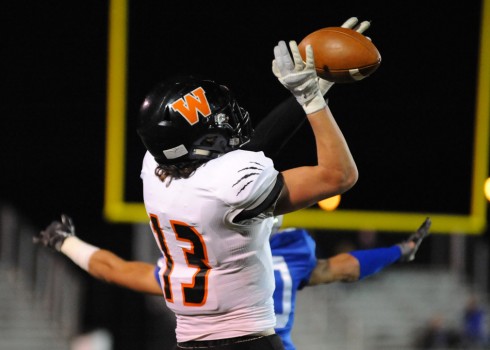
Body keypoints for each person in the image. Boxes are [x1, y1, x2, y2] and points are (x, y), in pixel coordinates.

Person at [34, 17, 384, 350]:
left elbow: (113, 269)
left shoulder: (156, 169)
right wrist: (311, 99)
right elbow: (339, 175)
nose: (229, 124)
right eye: (218, 122)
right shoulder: (231, 186)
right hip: (251, 342)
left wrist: (66, 242)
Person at [34, 215, 431, 350]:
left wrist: (66, 241)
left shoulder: (198, 266)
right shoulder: (291, 258)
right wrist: (400, 250)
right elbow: (343, 267)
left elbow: (115, 269)